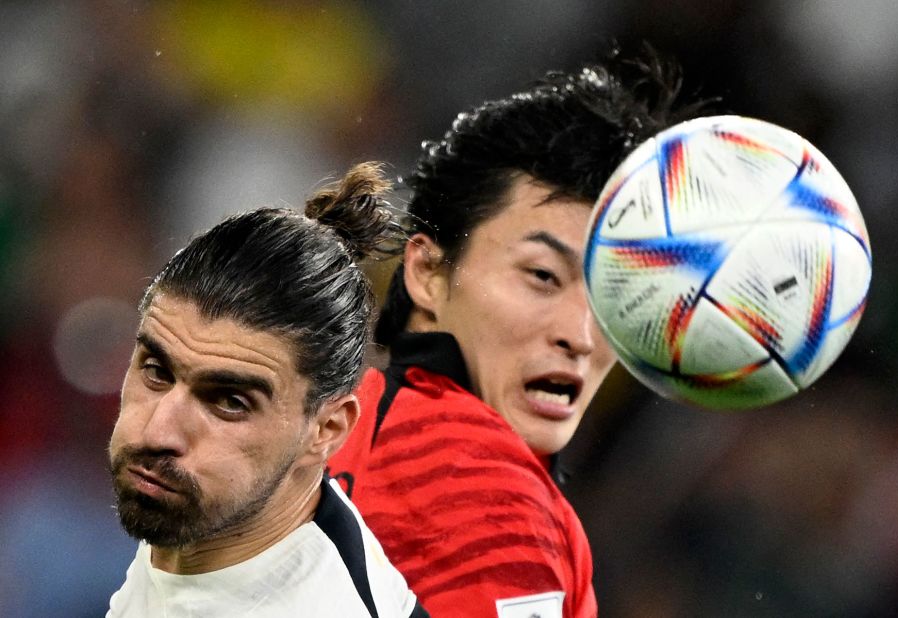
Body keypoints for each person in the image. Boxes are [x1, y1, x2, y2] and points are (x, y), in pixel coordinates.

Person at [328, 51, 700, 617]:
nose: (580, 335)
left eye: (612, 299)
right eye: (542, 276)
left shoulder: (335, 430)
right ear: (428, 273)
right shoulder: (486, 491)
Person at [107, 163, 429, 617]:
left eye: (229, 402)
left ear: (327, 430)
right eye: (157, 370)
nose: (159, 432)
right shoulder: (208, 523)